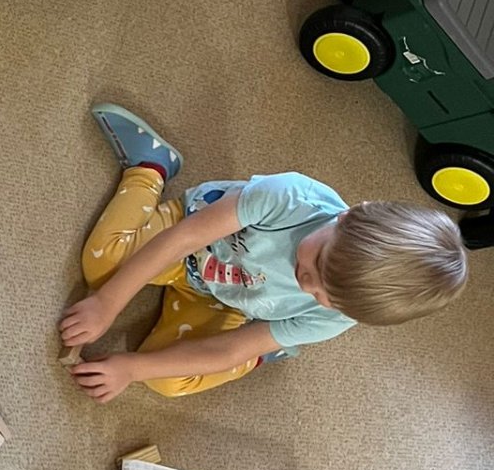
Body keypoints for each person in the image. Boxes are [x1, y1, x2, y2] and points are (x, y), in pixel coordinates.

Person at [58, 103, 466, 399]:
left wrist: (132, 368)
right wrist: (107, 303)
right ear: (348, 215)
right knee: (101, 266)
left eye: (326, 297)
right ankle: (151, 168)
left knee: (168, 381)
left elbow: (228, 349)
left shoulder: (336, 316)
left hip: (226, 298)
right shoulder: (290, 197)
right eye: (318, 263)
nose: (308, 284)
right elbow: (184, 238)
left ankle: (266, 351)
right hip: (192, 240)